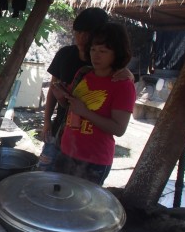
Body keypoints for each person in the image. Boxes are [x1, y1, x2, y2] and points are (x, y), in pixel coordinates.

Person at [38, 7, 132, 171]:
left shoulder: (113, 73)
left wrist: (129, 74)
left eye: (87, 33)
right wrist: (47, 121)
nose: (81, 38)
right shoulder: (74, 63)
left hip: (91, 152)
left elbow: (118, 126)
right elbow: (60, 96)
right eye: (78, 32)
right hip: (63, 131)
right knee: (46, 175)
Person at [53, 22, 136, 185]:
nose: (96, 56)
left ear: (116, 53)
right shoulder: (83, 73)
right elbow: (71, 108)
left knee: (81, 208)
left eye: (103, 51)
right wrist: (61, 98)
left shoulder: (123, 84)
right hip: (67, 151)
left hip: (93, 161)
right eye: (93, 49)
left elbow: (119, 129)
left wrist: (85, 112)